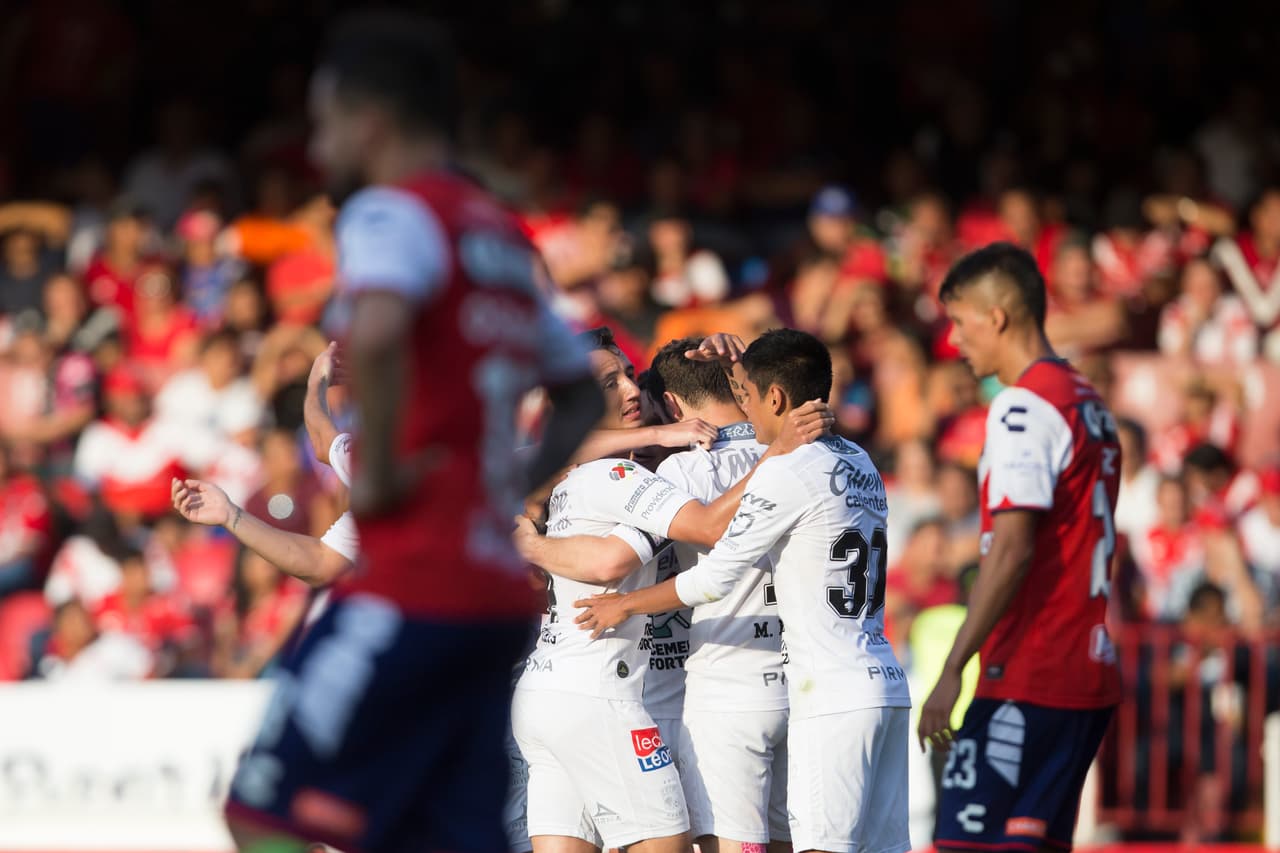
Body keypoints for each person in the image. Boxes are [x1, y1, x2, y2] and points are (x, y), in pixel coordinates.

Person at [222, 13, 605, 853]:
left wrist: (387, 472)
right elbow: (578, 395)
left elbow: (383, 326)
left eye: (324, 125)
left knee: (260, 808)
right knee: (431, 832)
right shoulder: (498, 233)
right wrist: (504, 489)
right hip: (497, 599)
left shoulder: (392, 213)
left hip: (412, 585)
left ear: (372, 121)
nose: (317, 150)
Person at [575, 329, 912, 853]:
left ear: (670, 402)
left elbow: (649, 562)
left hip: (740, 693)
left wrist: (619, 600)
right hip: (833, 681)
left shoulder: (688, 468)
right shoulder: (858, 459)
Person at [509, 328, 830, 853]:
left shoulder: (586, 471)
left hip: (548, 691)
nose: (632, 391)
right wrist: (777, 451)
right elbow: (671, 537)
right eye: (609, 384)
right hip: (604, 693)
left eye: (629, 377)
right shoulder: (622, 474)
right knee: (667, 842)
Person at [916, 243, 1122, 853]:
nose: (953, 340)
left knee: (962, 845)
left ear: (998, 316)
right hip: (1085, 669)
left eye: (960, 320)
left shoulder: (1022, 409)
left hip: (1029, 671)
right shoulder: (1088, 402)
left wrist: (953, 669)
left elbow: (1011, 551)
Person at [648, 338, 791, 853]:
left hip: (728, 687)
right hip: (801, 679)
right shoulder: (802, 452)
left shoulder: (682, 470)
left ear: (672, 403)